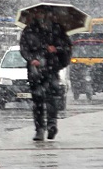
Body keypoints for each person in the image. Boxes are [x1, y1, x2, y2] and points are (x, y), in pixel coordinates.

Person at [19, 10, 72, 141]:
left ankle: (52, 125)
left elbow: (67, 48)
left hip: (51, 69)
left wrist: (56, 49)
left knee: (51, 98)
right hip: (35, 71)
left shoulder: (57, 29)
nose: (42, 16)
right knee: (37, 100)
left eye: (44, 14)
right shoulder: (28, 30)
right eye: (39, 14)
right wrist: (32, 59)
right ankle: (39, 129)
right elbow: (23, 48)